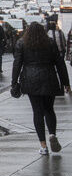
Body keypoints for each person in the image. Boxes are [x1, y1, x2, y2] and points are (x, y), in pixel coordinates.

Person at [11, 21, 72, 155]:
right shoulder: (50, 42)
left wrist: (14, 82)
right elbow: (60, 63)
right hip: (49, 78)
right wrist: (66, 83)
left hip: (31, 80)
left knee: (37, 112)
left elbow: (17, 64)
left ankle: (43, 146)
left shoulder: (22, 43)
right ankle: (52, 134)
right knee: (49, 109)